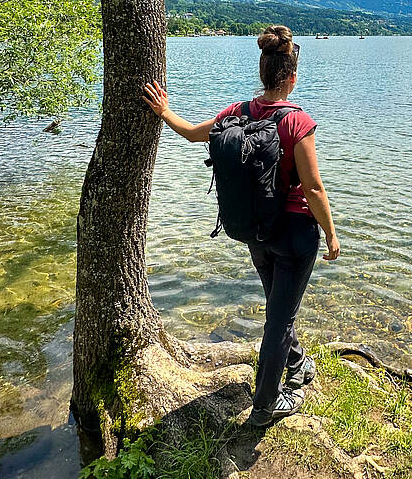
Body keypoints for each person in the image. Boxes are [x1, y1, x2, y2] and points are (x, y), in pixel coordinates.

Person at [141, 25, 340, 426]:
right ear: (292, 78)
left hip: (255, 230)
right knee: (279, 318)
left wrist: (164, 111)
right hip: (296, 234)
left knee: (278, 308)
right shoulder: (298, 122)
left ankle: (297, 364)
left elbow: (194, 135)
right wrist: (332, 235)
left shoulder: (237, 112)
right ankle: (266, 405)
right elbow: (314, 188)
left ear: (263, 72)